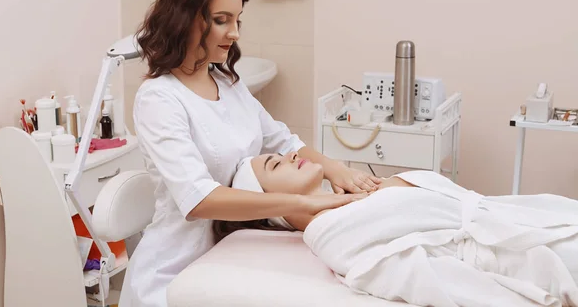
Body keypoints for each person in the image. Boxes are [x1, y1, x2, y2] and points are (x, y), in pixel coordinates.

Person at [121, 0, 381, 307]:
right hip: (174, 270)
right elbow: (198, 200)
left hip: (232, 252)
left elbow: (283, 141)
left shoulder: (228, 83)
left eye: (237, 20)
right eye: (221, 20)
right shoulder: (159, 99)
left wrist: (339, 171)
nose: (235, 33)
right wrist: (302, 203)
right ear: (186, 18)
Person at [216, 151, 578, 307]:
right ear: (271, 204)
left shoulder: (352, 196)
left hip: (533, 217)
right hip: (532, 259)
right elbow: (427, 278)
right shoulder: (333, 234)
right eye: (276, 164)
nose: (293, 156)